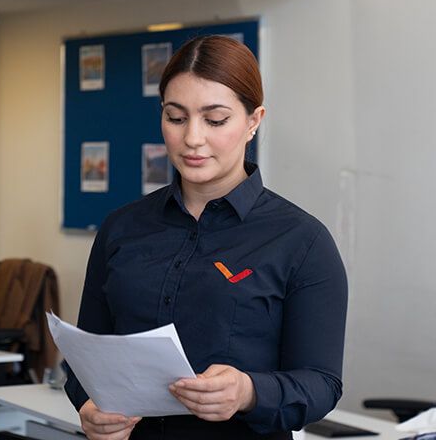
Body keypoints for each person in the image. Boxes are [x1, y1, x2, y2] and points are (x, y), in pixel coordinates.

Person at [64, 35, 348, 440]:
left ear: (253, 121)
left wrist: (249, 391)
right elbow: (86, 356)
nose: (193, 139)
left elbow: (322, 384)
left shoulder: (302, 241)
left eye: (215, 120)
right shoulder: (121, 228)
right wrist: (89, 405)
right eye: (176, 118)